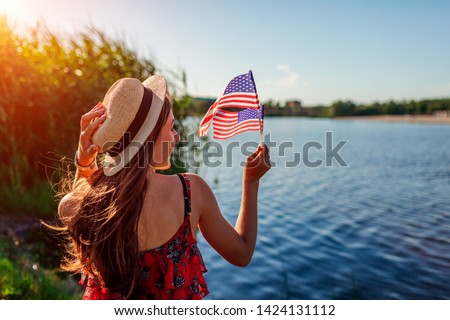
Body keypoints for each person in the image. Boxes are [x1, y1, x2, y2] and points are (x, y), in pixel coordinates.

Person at [55, 75, 271, 300]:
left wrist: (84, 157)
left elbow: (79, 193)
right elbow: (242, 253)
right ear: (148, 140)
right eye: (171, 128)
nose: (176, 137)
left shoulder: (81, 204)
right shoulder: (191, 191)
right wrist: (251, 182)